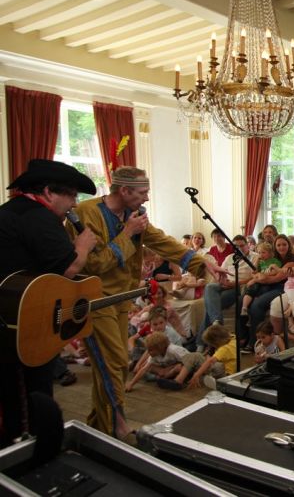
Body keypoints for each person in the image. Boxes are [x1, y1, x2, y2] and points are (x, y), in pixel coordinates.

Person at [70, 166, 220, 437]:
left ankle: (102, 424)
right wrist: (127, 233)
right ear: (124, 190)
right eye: (143, 192)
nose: (147, 198)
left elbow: (160, 241)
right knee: (113, 363)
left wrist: (201, 263)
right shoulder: (87, 212)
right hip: (94, 300)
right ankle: (115, 425)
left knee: (113, 365)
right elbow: (94, 264)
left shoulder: (135, 214)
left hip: (121, 300)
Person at [0, 160, 98, 450]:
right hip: (22, 325)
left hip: (14, 314)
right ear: (48, 192)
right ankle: (29, 449)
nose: (75, 204)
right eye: (71, 195)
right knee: (30, 393)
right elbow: (68, 268)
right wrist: (83, 246)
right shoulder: (38, 217)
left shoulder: (11, 211)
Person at [196, 235, 257, 351]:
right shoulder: (229, 258)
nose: (239, 248)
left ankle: (200, 344)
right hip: (227, 285)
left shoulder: (255, 257)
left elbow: (255, 277)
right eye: (236, 246)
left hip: (241, 288)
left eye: (242, 245)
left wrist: (236, 283)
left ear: (247, 245)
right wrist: (223, 281)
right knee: (210, 287)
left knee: (211, 307)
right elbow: (221, 273)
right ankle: (217, 323)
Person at [159, 323, 236, 391]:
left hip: (224, 374)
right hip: (224, 371)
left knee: (195, 356)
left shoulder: (224, 349)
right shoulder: (232, 338)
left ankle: (177, 381)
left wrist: (197, 375)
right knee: (188, 363)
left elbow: (210, 361)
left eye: (211, 344)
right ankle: (171, 377)